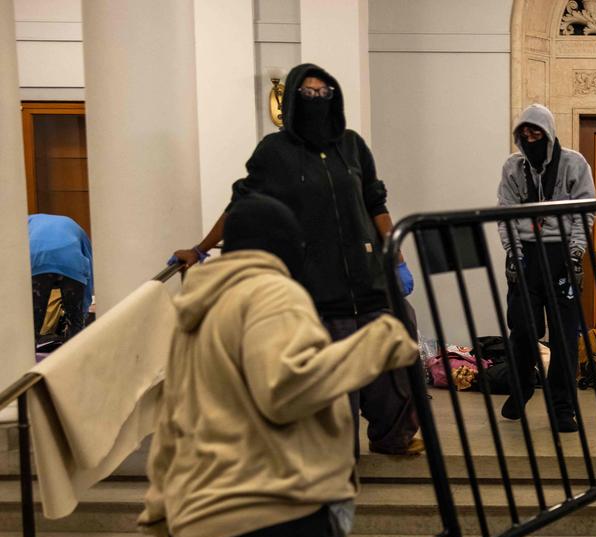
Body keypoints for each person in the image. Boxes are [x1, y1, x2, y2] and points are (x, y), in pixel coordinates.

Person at [139, 193, 419, 537]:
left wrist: (163, 501)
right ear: (287, 247)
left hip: (211, 516)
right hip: (264, 516)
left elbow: (172, 416)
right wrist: (378, 343)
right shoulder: (271, 293)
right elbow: (286, 386)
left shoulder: (201, 310)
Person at [170, 62, 422, 457]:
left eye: (325, 93)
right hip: (317, 288)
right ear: (291, 99)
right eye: (307, 93)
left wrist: (397, 256)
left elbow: (375, 202)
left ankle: (394, 437)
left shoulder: (353, 145)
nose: (317, 100)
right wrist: (201, 248)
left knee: (390, 364)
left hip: (369, 279)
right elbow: (242, 203)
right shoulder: (274, 152)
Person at [496, 103, 596, 432]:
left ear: (549, 134)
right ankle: (521, 388)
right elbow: (504, 212)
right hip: (526, 255)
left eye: (536, 132)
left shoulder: (573, 164)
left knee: (565, 337)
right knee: (523, 330)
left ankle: (562, 408)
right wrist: (512, 253)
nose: (530, 138)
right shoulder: (513, 167)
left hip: (562, 254)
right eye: (524, 133)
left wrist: (576, 254)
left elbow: (585, 211)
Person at [28, 213, 93, 342]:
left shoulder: (26, 224)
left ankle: (27, 357)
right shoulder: (74, 225)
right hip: (72, 262)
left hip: (38, 261)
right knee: (75, 325)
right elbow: (90, 272)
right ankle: (76, 356)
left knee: (33, 323)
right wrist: (83, 310)